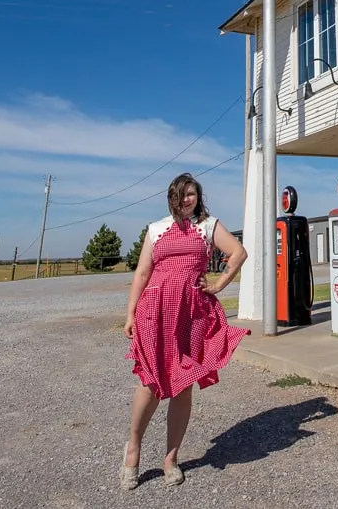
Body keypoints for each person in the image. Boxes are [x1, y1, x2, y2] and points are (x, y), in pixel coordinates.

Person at [120, 172, 249, 489]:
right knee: (149, 383)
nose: (186, 200)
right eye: (181, 195)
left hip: (191, 314)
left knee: (182, 386)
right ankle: (133, 447)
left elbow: (239, 253)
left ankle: (170, 458)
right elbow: (142, 273)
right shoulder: (156, 229)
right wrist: (130, 314)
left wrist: (217, 285)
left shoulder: (208, 226)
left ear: (198, 197)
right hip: (155, 312)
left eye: (191, 194)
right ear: (171, 198)